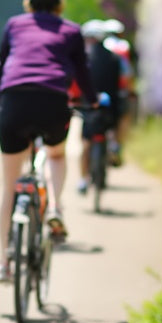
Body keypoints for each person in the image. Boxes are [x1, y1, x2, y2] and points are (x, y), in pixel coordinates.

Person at [0, 0, 96, 283]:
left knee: (9, 187)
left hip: (14, 102)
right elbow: (82, 72)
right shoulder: (72, 30)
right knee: (56, 153)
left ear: (29, 4)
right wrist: (93, 101)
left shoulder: (14, 24)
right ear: (59, 5)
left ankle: (3, 263)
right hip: (53, 101)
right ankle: (54, 206)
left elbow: (2, 64)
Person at [73, 20, 123, 194]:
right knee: (117, 123)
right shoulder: (115, 58)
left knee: (86, 144)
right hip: (111, 106)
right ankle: (115, 145)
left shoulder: (84, 59)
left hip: (89, 106)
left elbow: (75, 83)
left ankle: (82, 179)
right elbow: (123, 82)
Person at [100, 18, 136, 165]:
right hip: (119, 89)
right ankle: (116, 145)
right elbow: (127, 72)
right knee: (123, 116)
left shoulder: (100, 46)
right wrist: (131, 90)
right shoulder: (123, 47)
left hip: (99, 89)